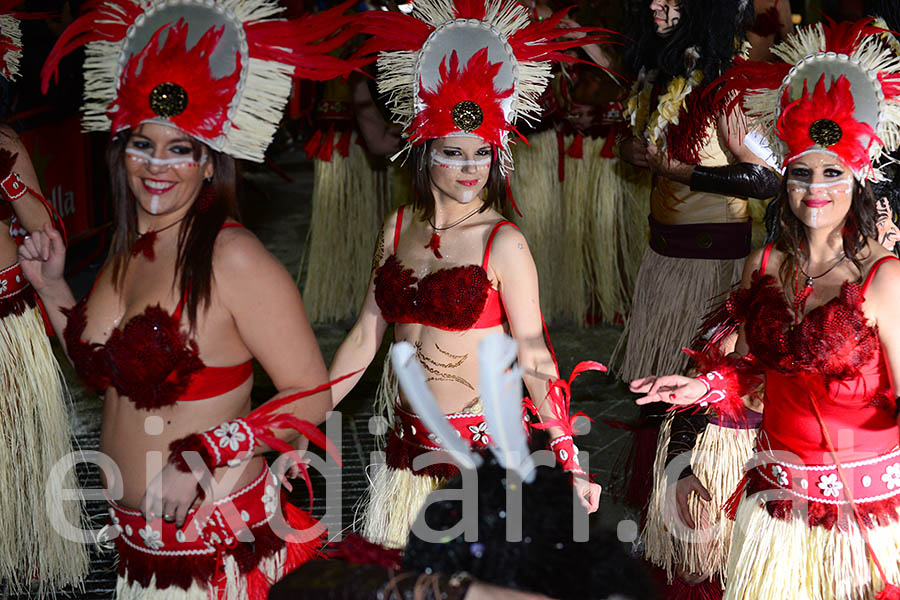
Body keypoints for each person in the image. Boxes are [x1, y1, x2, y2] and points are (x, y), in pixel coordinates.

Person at [34, 1, 363, 597]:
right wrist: (53, 285)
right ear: (121, 152)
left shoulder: (233, 258)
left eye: (180, 148)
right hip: (139, 546)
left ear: (210, 162)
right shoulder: (132, 244)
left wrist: (204, 455)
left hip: (218, 551)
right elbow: (103, 374)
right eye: (143, 144)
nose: (157, 166)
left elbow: (311, 393)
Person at [633, 18, 900, 599]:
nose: (815, 189)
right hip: (774, 505)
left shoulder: (884, 278)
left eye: (833, 173)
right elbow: (751, 366)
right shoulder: (767, 263)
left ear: (858, 180)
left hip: (864, 515)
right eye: (801, 173)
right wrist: (700, 389)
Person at [330, 0, 607, 548]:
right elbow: (365, 336)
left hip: (478, 462)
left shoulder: (502, 242)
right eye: (453, 153)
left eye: (482, 154)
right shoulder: (398, 227)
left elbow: (533, 354)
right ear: (423, 148)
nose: (468, 170)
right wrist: (301, 412)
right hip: (404, 457)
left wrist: (568, 456)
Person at [611, 0, 780, 595]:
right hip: (664, 258)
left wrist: (677, 172)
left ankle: (698, 529)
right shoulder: (660, 71)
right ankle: (659, 509)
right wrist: (642, 158)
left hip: (713, 270)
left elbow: (770, 179)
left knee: (700, 397)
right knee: (656, 386)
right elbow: (656, 156)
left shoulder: (736, 82)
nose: (659, 5)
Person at [0, 8, 88, 595]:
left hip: (8, 323)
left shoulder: (1, 143)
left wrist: (5, 179)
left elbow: (44, 226)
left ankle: (27, 542)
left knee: (17, 443)